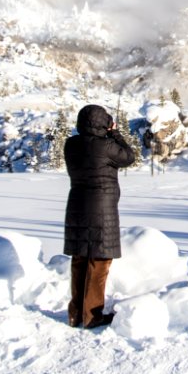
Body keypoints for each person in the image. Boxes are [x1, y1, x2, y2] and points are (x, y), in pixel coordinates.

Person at [63, 104, 136, 328]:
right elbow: (129, 157)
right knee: (99, 261)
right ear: (102, 123)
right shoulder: (106, 146)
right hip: (102, 208)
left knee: (80, 259)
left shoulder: (71, 144)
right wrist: (115, 132)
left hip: (77, 205)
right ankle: (92, 315)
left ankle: (76, 313)